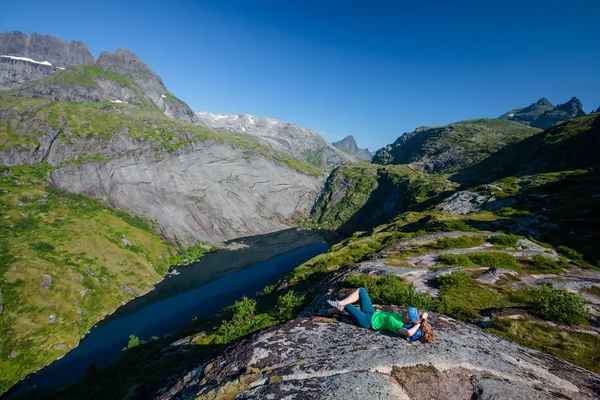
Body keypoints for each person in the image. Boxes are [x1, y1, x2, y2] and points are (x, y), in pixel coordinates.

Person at [327, 287, 435, 343]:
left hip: (367, 321)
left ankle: (329, 312)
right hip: (372, 313)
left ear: (410, 320)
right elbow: (425, 314)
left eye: (408, 314)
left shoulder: (399, 327)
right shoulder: (400, 317)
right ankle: (338, 305)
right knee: (362, 290)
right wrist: (423, 318)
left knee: (347, 304)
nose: (405, 312)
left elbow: (409, 333)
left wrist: (418, 324)